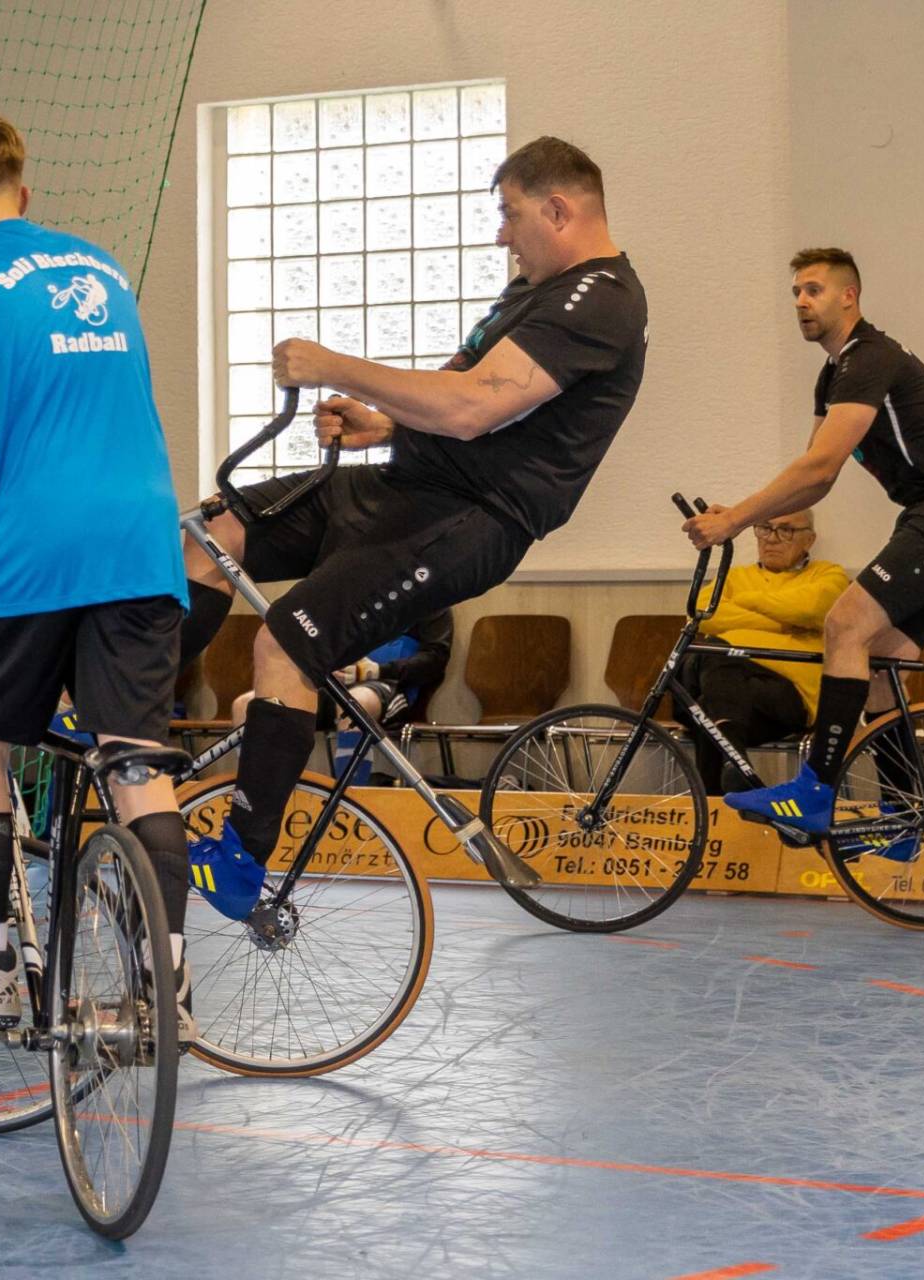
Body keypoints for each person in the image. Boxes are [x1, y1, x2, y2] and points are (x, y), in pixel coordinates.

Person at [181, 136, 649, 921]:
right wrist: (386, 423)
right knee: (211, 532)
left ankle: (240, 860)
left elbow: (473, 408)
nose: (501, 234)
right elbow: (466, 394)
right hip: (404, 485)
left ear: (558, 210)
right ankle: (125, 732)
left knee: (286, 642)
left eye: (511, 215)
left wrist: (335, 364)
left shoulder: (599, 299)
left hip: (467, 518)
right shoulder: (534, 291)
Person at [0, 114, 192, 1031]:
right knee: (135, 758)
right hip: (141, 541)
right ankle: (168, 987)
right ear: (23, 193)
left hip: (29, 546)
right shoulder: (101, 267)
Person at [683, 248, 924, 843]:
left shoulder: (868, 356)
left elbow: (819, 466)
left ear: (849, 296)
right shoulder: (833, 374)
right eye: (795, 292)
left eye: (813, 290)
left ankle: (814, 793)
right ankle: (905, 817)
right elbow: (817, 479)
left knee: (844, 625)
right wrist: (739, 515)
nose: (801, 302)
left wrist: (735, 521)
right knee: (881, 664)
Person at [681, 510, 848, 793]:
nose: (772, 539)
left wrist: (745, 603)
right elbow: (699, 613)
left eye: (786, 530)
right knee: (713, 664)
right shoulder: (734, 576)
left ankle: (717, 805)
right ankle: (734, 767)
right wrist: (784, 623)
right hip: (734, 693)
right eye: (765, 528)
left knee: (707, 702)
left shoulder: (829, 574)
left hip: (789, 695)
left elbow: (811, 609)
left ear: (809, 539)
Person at [226, 609, 454, 786]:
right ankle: (257, 797)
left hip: (388, 685)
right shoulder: (354, 594)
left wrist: (375, 671)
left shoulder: (433, 601)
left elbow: (435, 660)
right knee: (245, 705)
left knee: (354, 705)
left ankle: (350, 801)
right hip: (332, 685)